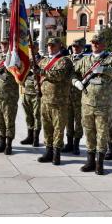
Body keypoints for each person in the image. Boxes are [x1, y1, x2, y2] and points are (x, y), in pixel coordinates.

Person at [72, 34, 112, 175]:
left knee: (102, 133)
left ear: (103, 44)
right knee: (89, 131)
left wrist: (104, 69)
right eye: (93, 42)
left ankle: (99, 163)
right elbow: (72, 72)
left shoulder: (110, 59)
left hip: (104, 104)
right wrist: (75, 82)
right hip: (87, 102)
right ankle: (90, 161)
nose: (95, 44)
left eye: (98, 42)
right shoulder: (85, 59)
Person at [36, 37, 73, 165]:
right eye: (49, 45)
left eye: (53, 45)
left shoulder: (64, 61)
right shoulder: (44, 61)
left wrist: (41, 71)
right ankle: (48, 151)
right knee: (47, 127)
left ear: (59, 46)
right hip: (45, 99)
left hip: (59, 101)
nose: (50, 48)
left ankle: (57, 154)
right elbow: (37, 78)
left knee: (58, 128)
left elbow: (59, 75)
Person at [0, 39, 19, 155]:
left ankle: (9, 144)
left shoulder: (15, 57)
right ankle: (2, 143)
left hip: (10, 95)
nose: (3, 46)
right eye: (2, 44)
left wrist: (13, 64)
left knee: (9, 120)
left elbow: (20, 71)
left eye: (6, 44)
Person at [62, 38, 85, 155]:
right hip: (67, 94)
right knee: (68, 120)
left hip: (79, 96)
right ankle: (69, 143)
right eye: (73, 46)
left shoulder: (85, 60)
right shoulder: (66, 59)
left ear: (82, 48)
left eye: (77, 47)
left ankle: (76, 144)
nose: (75, 48)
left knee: (79, 121)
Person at [19, 42, 42, 147]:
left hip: (36, 92)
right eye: (29, 48)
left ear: (37, 48)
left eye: (33, 47)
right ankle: (30, 136)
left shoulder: (42, 60)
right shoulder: (25, 60)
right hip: (25, 91)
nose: (31, 49)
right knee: (28, 115)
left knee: (37, 115)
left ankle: (36, 138)